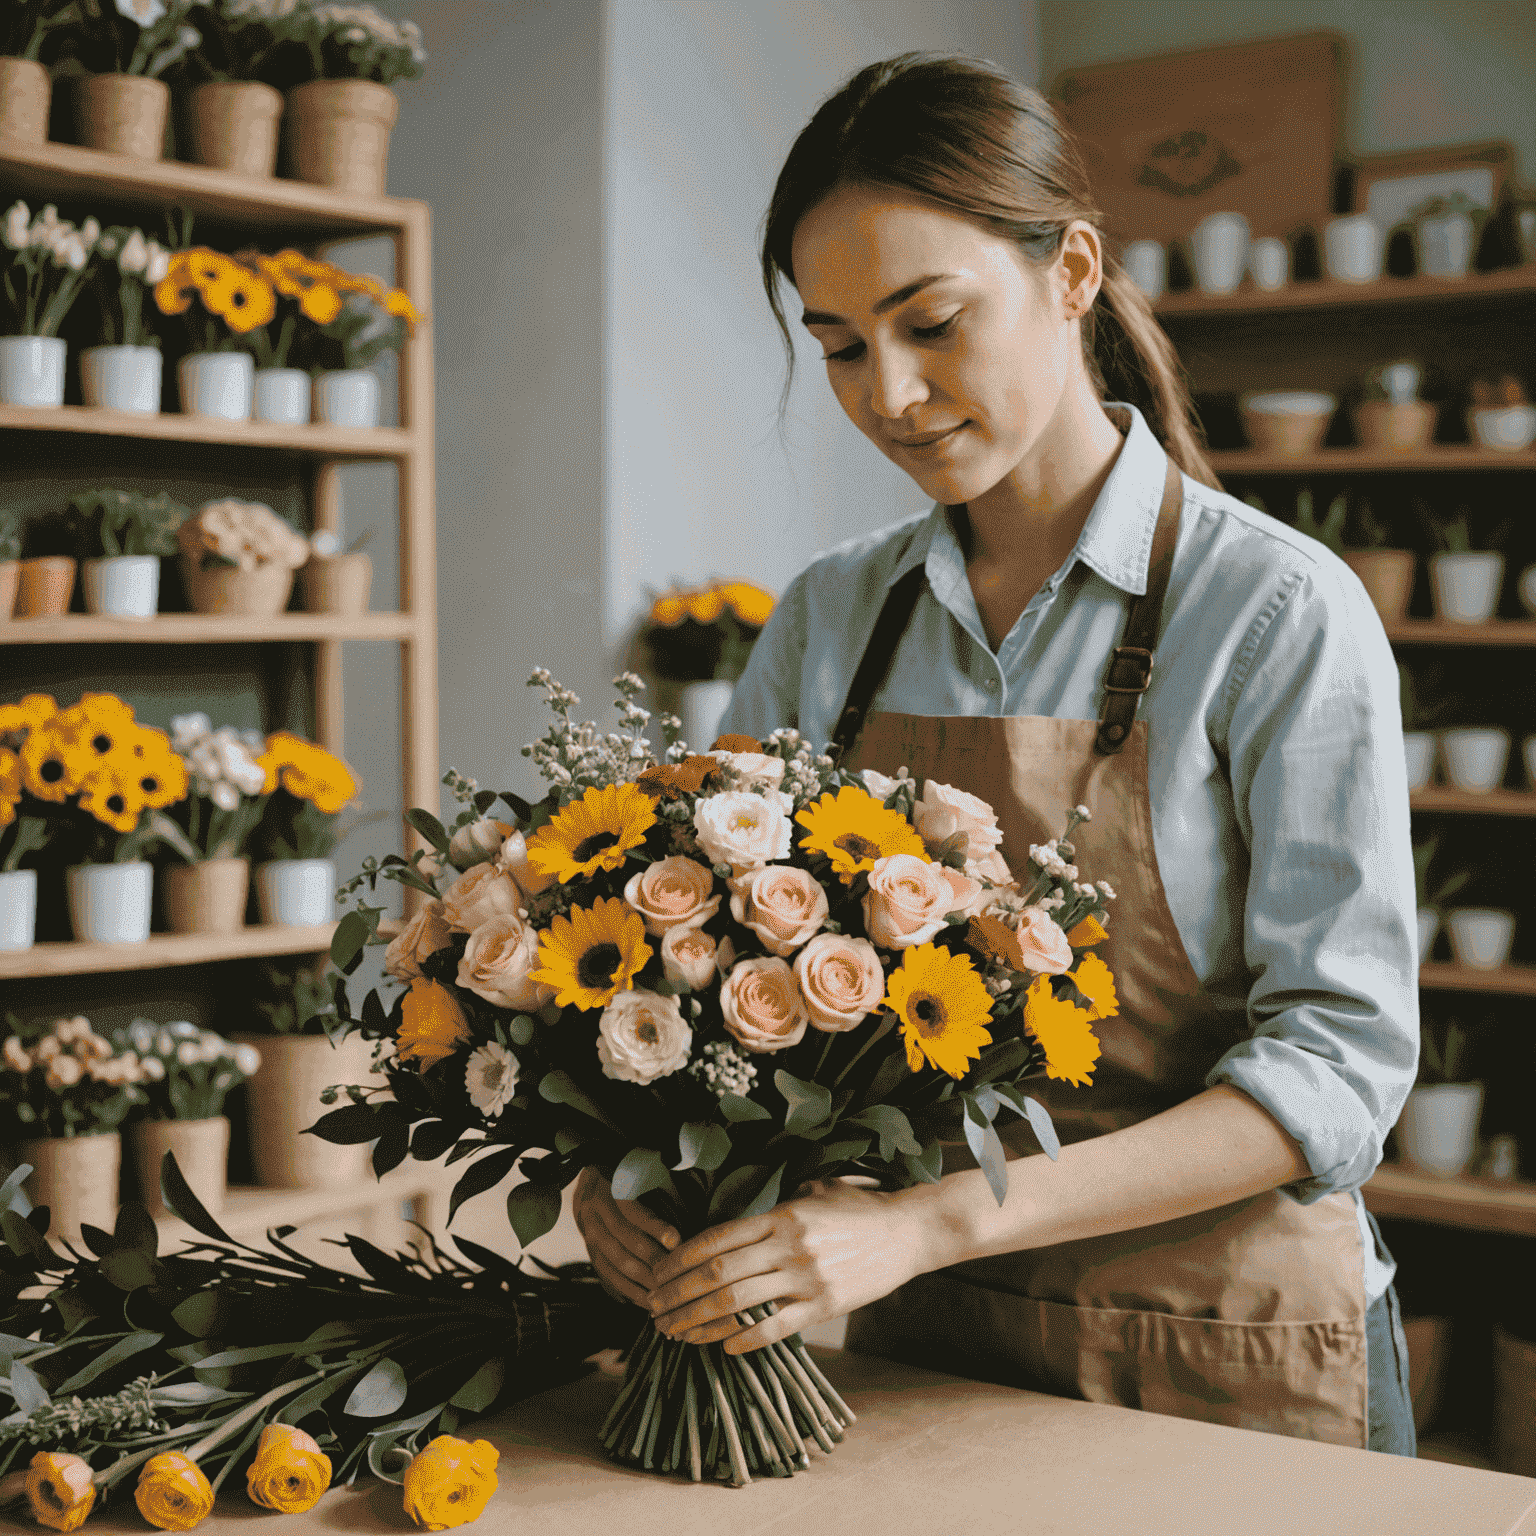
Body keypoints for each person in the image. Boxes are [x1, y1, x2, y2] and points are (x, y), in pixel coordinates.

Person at [573, 52, 1420, 1455]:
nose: (891, 394)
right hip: (930, 1353)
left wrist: (932, 1220)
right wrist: (631, 1162)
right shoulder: (833, 616)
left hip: (1233, 1355)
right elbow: (701, 967)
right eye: (841, 345)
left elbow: (1339, 1067)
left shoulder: (1276, 608)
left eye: (933, 323)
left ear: (1073, 271)